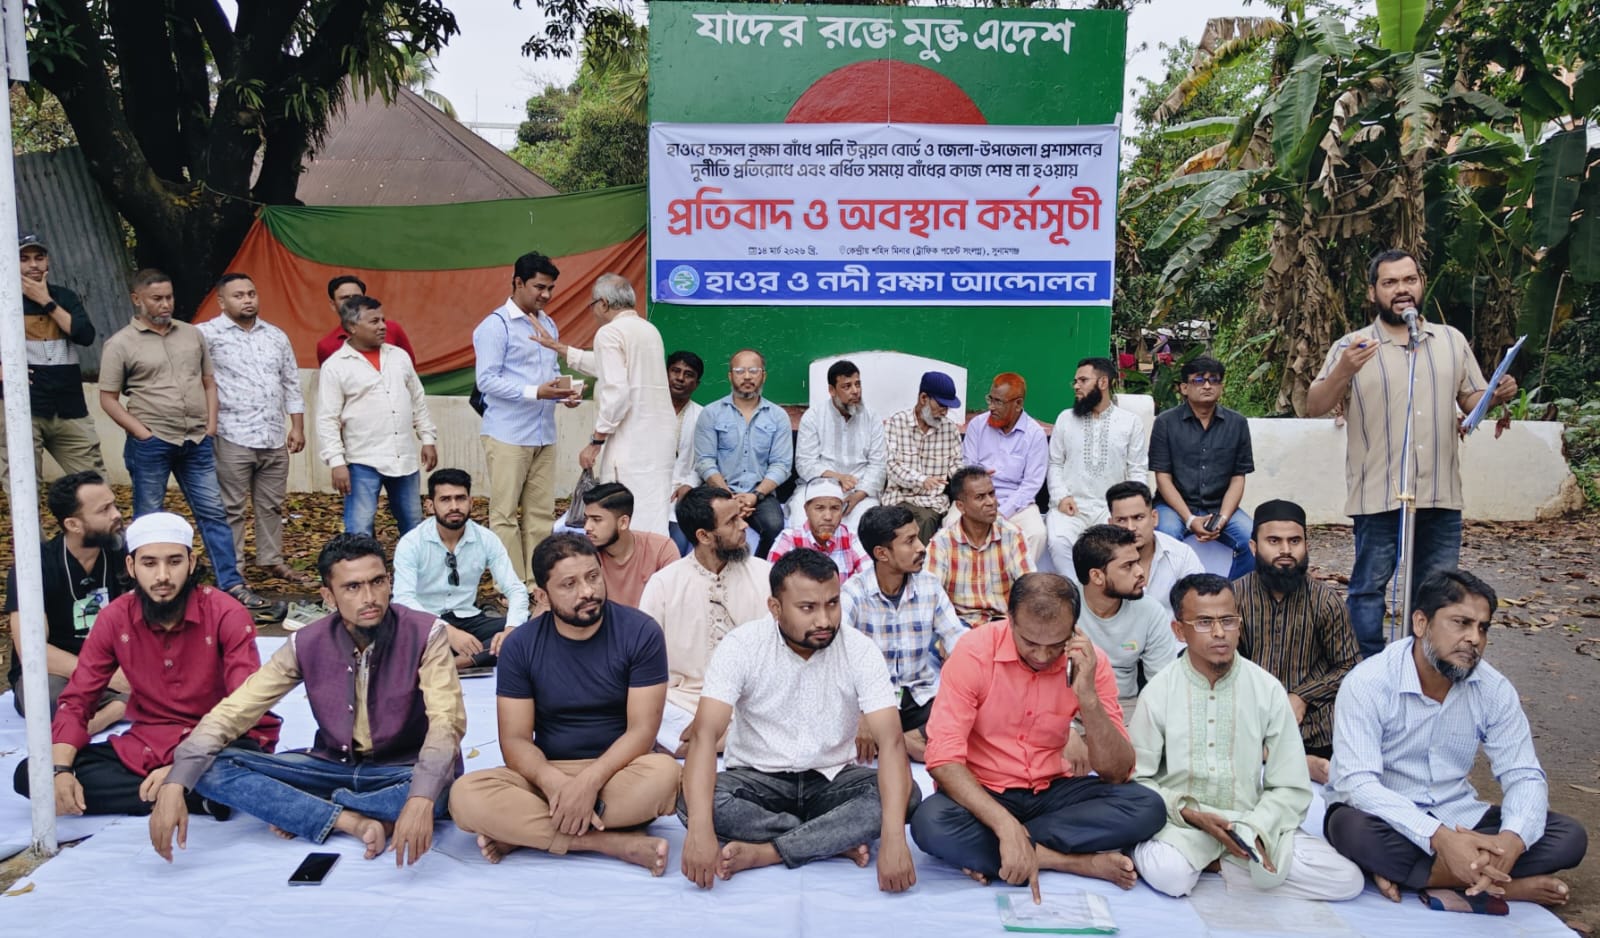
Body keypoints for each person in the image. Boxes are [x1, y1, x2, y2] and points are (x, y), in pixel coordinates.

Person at [150, 533, 466, 865]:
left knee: (442, 789)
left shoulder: (425, 633)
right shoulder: (306, 642)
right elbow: (235, 711)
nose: (369, 597)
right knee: (208, 769)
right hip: (331, 767)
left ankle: (307, 808)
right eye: (352, 587)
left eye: (377, 582)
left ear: (390, 582)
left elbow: (446, 723)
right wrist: (175, 784)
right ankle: (348, 819)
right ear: (328, 596)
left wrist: (419, 799)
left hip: (402, 771)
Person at [1325, 569, 1588, 907]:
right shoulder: (1368, 683)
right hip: (1389, 817)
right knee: (1350, 829)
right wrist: (1439, 838)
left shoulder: (1493, 689)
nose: (1474, 639)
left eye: (1483, 628)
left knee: (1568, 837)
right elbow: (1358, 784)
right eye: (1461, 623)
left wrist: (1510, 842)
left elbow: (1523, 774)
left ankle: (1432, 877)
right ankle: (1503, 885)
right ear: (1421, 623)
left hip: (1460, 814)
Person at [1305, 250, 1519, 658]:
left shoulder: (1451, 340)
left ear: (1421, 284)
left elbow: (1470, 399)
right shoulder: (1351, 346)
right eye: (1390, 282)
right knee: (1369, 588)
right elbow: (1314, 405)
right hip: (1378, 493)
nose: (1401, 289)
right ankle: (1368, 668)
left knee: (1437, 590)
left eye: (1409, 280)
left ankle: (1425, 667)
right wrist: (1344, 369)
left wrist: (1495, 393)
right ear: (1373, 292)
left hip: (1440, 493)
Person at [909, 573, 1166, 895]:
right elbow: (943, 760)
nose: (1042, 656)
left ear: (1074, 628)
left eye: (1056, 645)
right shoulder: (974, 652)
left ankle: (1005, 851)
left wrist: (1087, 697)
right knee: (929, 823)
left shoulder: (1090, 661)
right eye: (1030, 643)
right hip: (984, 789)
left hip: (1052, 790)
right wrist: (1003, 824)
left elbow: (1117, 772)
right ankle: (1068, 861)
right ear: (1010, 619)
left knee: (1147, 807)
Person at [678, 549, 919, 891]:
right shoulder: (742, 646)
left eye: (832, 604)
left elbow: (892, 743)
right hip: (757, 780)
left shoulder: (859, 649)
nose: (824, 620)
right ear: (775, 608)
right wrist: (699, 831)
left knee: (905, 795)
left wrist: (895, 840)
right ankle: (830, 839)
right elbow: (704, 736)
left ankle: (769, 851)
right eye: (808, 608)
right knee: (692, 801)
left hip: (832, 780)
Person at [13, 513, 281, 817]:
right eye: (149, 563)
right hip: (149, 744)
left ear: (191, 563)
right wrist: (60, 770)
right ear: (131, 566)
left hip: (222, 742)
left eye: (174, 562)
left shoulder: (226, 614)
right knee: (32, 774)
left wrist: (182, 769)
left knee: (242, 764)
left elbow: (244, 707)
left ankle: (190, 788)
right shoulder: (115, 618)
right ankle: (198, 797)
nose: (163, 576)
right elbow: (78, 700)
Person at [450, 535, 681, 874]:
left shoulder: (640, 632)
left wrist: (588, 784)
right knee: (465, 795)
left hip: (619, 772)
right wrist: (557, 785)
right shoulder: (521, 645)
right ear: (542, 596)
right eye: (569, 584)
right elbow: (514, 741)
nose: (587, 591)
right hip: (546, 775)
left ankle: (524, 832)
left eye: (593, 577)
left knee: (666, 775)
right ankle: (609, 842)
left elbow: (642, 731)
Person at [1130, 574, 1364, 901]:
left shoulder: (1267, 689)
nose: (1219, 633)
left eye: (1228, 620)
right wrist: (1188, 813)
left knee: (1346, 880)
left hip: (1250, 823)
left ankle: (1220, 865)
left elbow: (1291, 785)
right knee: (1169, 875)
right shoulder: (1159, 692)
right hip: (1183, 826)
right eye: (1204, 622)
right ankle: (1235, 869)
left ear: (1239, 624)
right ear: (1179, 631)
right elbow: (1138, 780)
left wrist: (1257, 829)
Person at [98, 268, 283, 621]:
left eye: (169, 297)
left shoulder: (191, 334)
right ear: (137, 299)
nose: (165, 304)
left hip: (196, 440)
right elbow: (108, 398)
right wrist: (141, 432)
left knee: (214, 513)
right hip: (152, 442)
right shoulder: (121, 343)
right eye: (156, 298)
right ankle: (141, 591)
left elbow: (209, 381)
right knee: (149, 517)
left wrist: (210, 425)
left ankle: (232, 584)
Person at [536, 273, 677, 535]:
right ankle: (657, 559)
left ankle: (633, 561)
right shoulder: (648, 330)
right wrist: (560, 348)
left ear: (603, 303)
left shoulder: (609, 333)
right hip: (659, 439)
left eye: (592, 305)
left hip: (631, 438)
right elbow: (611, 366)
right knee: (653, 512)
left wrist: (596, 441)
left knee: (625, 512)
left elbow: (617, 392)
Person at [472, 251, 581, 588]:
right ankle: (512, 585)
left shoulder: (548, 323)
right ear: (518, 283)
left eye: (550, 288)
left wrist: (565, 393)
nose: (546, 295)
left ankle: (539, 583)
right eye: (539, 287)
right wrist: (536, 392)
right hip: (507, 434)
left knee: (540, 515)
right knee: (504, 515)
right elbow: (486, 381)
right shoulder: (495, 326)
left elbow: (551, 371)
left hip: (544, 433)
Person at [638, 485, 772, 755]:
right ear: (704, 536)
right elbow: (642, 662)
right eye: (732, 521)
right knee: (652, 716)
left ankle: (705, 743)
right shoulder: (664, 584)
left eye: (740, 516)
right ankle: (729, 742)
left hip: (751, 702)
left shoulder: (767, 575)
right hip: (686, 703)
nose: (744, 525)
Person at [1233, 499, 1359, 784]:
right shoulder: (1234, 599)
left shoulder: (1325, 601)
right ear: (1253, 547)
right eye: (1274, 541)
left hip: (1313, 731)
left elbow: (1350, 667)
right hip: (1250, 727)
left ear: (1306, 546)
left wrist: (1303, 696)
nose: (1286, 551)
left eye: (1294, 541)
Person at [196, 272, 309, 587]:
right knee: (231, 506)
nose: (247, 300)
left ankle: (271, 559)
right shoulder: (205, 335)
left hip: (273, 434)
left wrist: (297, 426)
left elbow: (290, 382)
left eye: (251, 293)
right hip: (231, 433)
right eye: (238, 295)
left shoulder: (275, 336)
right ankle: (233, 568)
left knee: (271, 504)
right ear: (221, 302)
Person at [841, 505, 967, 763]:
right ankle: (910, 742)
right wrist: (859, 713)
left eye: (917, 537)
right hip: (873, 703)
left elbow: (957, 639)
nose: (921, 547)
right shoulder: (853, 593)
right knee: (838, 726)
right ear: (881, 553)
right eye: (910, 541)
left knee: (971, 713)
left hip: (920, 696)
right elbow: (836, 659)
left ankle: (896, 740)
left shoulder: (929, 585)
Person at [5, 472, 131, 727]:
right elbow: (32, 650)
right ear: (73, 524)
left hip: (118, 662)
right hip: (61, 671)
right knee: (45, 696)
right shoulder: (35, 566)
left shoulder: (125, 554)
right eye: (104, 510)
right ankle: (122, 707)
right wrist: (105, 676)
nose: (116, 515)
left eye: (114, 505)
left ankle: (101, 715)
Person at [316, 294, 438, 537]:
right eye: (374, 322)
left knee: (413, 525)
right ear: (352, 327)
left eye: (383, 320)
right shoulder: (336, 365)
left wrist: (427, 438)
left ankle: (413, 564)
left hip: (403, 457)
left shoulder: (399, 356)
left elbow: (417, 398)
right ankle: (361, 563)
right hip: (362, 461)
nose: (383, 326)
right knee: (359, 528)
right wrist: (337, 462)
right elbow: (327, 419)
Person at [393, 469, 530, 670]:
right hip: (425, 623)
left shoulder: (486, 539)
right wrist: (446, 631)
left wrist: (510, 629)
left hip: (469, 620)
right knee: (398, 638)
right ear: (430, 506)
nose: (454, 506)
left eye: (460, 498)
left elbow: (515, 589)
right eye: (445, 500)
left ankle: (462, 662)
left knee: (528, 627)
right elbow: (402, 600)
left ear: (471, 502)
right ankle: (482, 655)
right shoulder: (412, 543)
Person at [0, 232, 104, 488]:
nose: (33, 265)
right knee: (23, 487)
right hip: (22, 408)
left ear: (47, 261)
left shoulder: (64, 297)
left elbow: (85, 336)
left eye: (39, 258)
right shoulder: (4, 299)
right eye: (24, 259)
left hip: (69, 407)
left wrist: (45, 301)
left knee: (94, 484)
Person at [1149, 355, 1256, 579]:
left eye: (1214, 380)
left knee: (1253, 540)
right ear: (1184, 388)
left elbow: (1238, 478)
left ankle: (1231, 593)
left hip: (1220, 506)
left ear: (1221, 387)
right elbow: (1163, 478)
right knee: (1166, 537)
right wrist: (1189, 519)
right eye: (1199, 380)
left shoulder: (1237, 423)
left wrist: (1222, 519)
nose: (1207, 385)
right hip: (1174, 508)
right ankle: (1175, 596)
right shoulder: (1165, 423)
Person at [1045, 357, 1148, 573]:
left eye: (1083, 380)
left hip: (1110, 509)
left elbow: (1137, 470)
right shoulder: (1065, 418)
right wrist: (1061, 497)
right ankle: (1076, 591)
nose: (1076, 386)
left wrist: (1132, 508)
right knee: (1059, 542)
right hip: (1071, 505)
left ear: (1103, 382)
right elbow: (1055, 463)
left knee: (1113, 554)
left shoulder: (1130, 422)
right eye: (1075, 381)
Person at [693, 348, 793, 558]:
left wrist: (755, 496)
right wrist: (728, 497)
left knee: (775, 526)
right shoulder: (711, 413)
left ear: (763, 376)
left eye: (753, 371)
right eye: (740, 371)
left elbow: (781, 465)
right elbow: (705, 461)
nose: (747, 377)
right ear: (730, 376)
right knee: (713, 525)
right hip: (718, 491)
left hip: (760, 493)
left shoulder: (778, 416)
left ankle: (756, 570)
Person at [1070, 524, 1177, 708]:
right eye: (1128, 566)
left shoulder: (1150, 611)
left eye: (1137, 562)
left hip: (1125, 707)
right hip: (1071, 705)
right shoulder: (1064, 607)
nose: (1140, 572)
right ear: (1096, 576)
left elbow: (1163, 686)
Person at [925, 466, 1033, 628]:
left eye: (992, 494)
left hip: (1003, 624)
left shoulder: (1012, 535)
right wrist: (950, 633)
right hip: (959, 625)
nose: (991, 502)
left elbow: (1029, 589)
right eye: (980, 497)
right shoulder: (942, 542)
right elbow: (931, 597)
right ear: (960, 506)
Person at [961, 373, 1048, 563]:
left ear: (1018, 404)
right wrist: (979, 489)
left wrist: (1002, 512)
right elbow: (967, 470)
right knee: (952, 523)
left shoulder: (1035, 435)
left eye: (998, 402)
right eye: (990, 399)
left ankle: (1016, 580)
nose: (991, 407)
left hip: (1016, 503)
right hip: (976, 496)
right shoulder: (977, 426)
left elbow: (1030, 485)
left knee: (1036, 533)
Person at [791, 359, 886, 532]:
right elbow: (805, 463)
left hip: (859, 492)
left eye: (858, 384)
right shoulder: (813, 417)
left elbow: (878, 466)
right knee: (801, 521)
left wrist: (858, 496)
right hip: (819, 487)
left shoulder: (872, 418)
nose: (855, 391)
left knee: (864, 527)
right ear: (832, 390)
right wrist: (838, 477)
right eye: (847, 386)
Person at [882, 371, 964, 543]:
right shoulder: (897, 423)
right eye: (941, 405)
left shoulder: (950, 430)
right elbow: (892, 466)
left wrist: (970, 477)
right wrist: (922, 480)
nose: (944, 412)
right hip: (899, 498)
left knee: (924, 522)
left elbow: (956, 466)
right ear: (924, 398)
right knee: (896, 528)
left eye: (947, 408)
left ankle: (918, 561)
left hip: (931, 502)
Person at [1103, 481, 1202, 617]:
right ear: (1110, 524)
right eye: (1121, 520)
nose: (1130, 528)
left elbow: (1200, 607)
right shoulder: (1101, 562)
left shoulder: (1182, 555)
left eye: (1138, 517)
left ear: (1154, 518)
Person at [581, 481, 680, 608]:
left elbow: (674, 603)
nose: (587, 527)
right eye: (586, 518)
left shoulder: (662, 549)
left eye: (596, 520)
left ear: (623, 522)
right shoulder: (583, 554)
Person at [768, 478, 868, 581]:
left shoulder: (850, 538)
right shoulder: (789, 539)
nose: (828, 517)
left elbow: (869, 577)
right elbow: (773, 583)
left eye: (835, 508)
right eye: (820, 508)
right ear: (806, 510)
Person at [315, 274, 417, 366]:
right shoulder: (326, 346)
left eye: (357, 297)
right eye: (345, 298)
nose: (352, 302)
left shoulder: (390, 329)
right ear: (333, 305)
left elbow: (409, 368)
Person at [668, 350, 706, 555]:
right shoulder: (647, 411)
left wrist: (689, 484)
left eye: (688, 374)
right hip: (647, 488)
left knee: (678, 546)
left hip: (681, 490)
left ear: (696, 384)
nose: (680, 378)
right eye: (675, 371)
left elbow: (704, 460)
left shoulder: (703, 416)